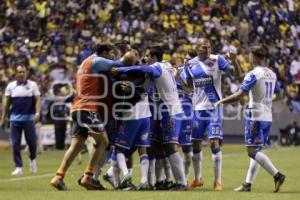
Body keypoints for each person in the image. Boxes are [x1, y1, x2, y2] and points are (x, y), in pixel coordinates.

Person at [50, 43, 136, 190]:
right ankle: (88, 177)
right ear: (103, 53)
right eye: (110, 54)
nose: (112, 57)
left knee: (76, 145)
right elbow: (121, 62)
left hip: (77, 107)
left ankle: (59, 176)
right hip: (88, 108)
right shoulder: (97, 60)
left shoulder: (84, 63)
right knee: (104, 142)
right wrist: (131, 54)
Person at [114, 45, 187, 190]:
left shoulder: (156, 67)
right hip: (169, 110)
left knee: (171, 147)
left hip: (170, 111)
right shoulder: (166, 64)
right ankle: (162, 181)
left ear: (153, 58)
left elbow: (142, 69)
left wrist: (121, 69)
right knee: (163, 147)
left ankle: (182, 183)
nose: (144, 58)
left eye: (147, 56)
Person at [214, 46, 286, 192]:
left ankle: (277, 175)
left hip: (255, 116)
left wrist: (221, 101)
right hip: (267, 117)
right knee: (257, 151)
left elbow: (240, 94)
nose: (248, 58)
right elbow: (279, 96)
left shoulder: (254, 74)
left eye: (249, 56)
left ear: (254, 57)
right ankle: (248, 184)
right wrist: (267, 101)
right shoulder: (271, 73)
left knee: (251, 151)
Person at [183, 38, 242, 191]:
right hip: (197, 108)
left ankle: (218, 182)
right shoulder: (190, 64)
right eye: (204, 47)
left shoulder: (217, 60)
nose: (208, 49)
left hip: (214, 106)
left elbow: (236, 74)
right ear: (197, 48)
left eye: (209, 47)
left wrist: (234, 62)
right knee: (195, 143)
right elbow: (188, 84)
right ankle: (197, 179)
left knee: (214, 142)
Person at [0, 64, 41, 176]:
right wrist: (3, 118)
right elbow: (7, 103)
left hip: (29, 119)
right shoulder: (10, 86)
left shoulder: (33, 85)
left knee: (32, 143)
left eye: (23, 72)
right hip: (14, 120)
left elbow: (37, 100)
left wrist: (37, 113)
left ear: (26, 73)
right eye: (19, 72)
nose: (22, 74)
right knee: (15, 144)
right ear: (15, 73)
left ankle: (32, 160)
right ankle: (18, 167)